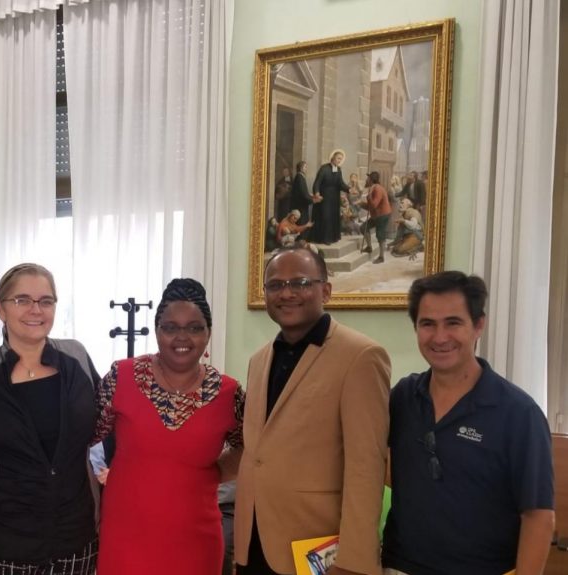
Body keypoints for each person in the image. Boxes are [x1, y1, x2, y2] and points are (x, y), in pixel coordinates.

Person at [382, 272, 555, 575]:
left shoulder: (518, 413)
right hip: (398, 567)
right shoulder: (403, 397)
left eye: (453, 323)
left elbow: (538, 515)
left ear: (478, 325)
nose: (439, 337)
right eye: (427, 324)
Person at [235, 247, 390, 575]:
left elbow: (367, 467)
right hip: (255, 545)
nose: (287, 293)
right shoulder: (259, 360)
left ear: (327, 291)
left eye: (301, 282)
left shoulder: (361, 356)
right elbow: (258, 453)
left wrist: (354, 561)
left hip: (319, 551)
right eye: (275, 285)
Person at [0, 263, 100, 575]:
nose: (36, 310)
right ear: (0, 309)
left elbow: (106, 421)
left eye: (46, 301)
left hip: (75, 539)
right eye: (22, 300)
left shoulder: (78, 359)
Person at [95, 278, 244, 575]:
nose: (182, 337)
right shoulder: (121, 377)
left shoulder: (229, 393)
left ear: (208, 333)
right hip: (126, 537)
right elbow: (85, 436)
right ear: (156, 329)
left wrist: (210, 473)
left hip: (196, 539)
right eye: (170, 327)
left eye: (194, 327)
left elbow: (249, 447)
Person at [311, 150, 350, 245]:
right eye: (338, 158)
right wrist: (316, 193)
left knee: (333, 216)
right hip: (325, 197)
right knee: (326, 217)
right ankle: (324, 239)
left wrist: (349, 189)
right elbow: (317, 182)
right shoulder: (324, 169)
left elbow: (340, 183)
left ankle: (333, 237)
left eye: (341, 159)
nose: (339, 160)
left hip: (334, 197)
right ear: (333, 158)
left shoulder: (339, 169)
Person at [359, 171, 392, 264]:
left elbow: (373, 205)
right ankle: (369, 247)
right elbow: (371, 207)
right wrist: (361, 204)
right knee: (363, 228)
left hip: (382, 215)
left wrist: (368, 196)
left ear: (371, 179)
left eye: (368, 178)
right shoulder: (372, 188)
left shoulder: (377, 188)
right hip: (376, 215)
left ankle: (381, 257)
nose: (366, 180)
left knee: (380, 234)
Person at [290, 161, 319, 228]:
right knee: (301, 221)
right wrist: (312, 200)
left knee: (303, 220)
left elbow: (303, 191)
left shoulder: (300, 177)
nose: (306, 169)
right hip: (300, 205)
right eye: (305, 167)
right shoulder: (299, 177)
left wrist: (311, 195)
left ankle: (302, 237)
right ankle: (301, 238)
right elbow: (303, 193)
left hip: (302, 203)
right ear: (301, 168)